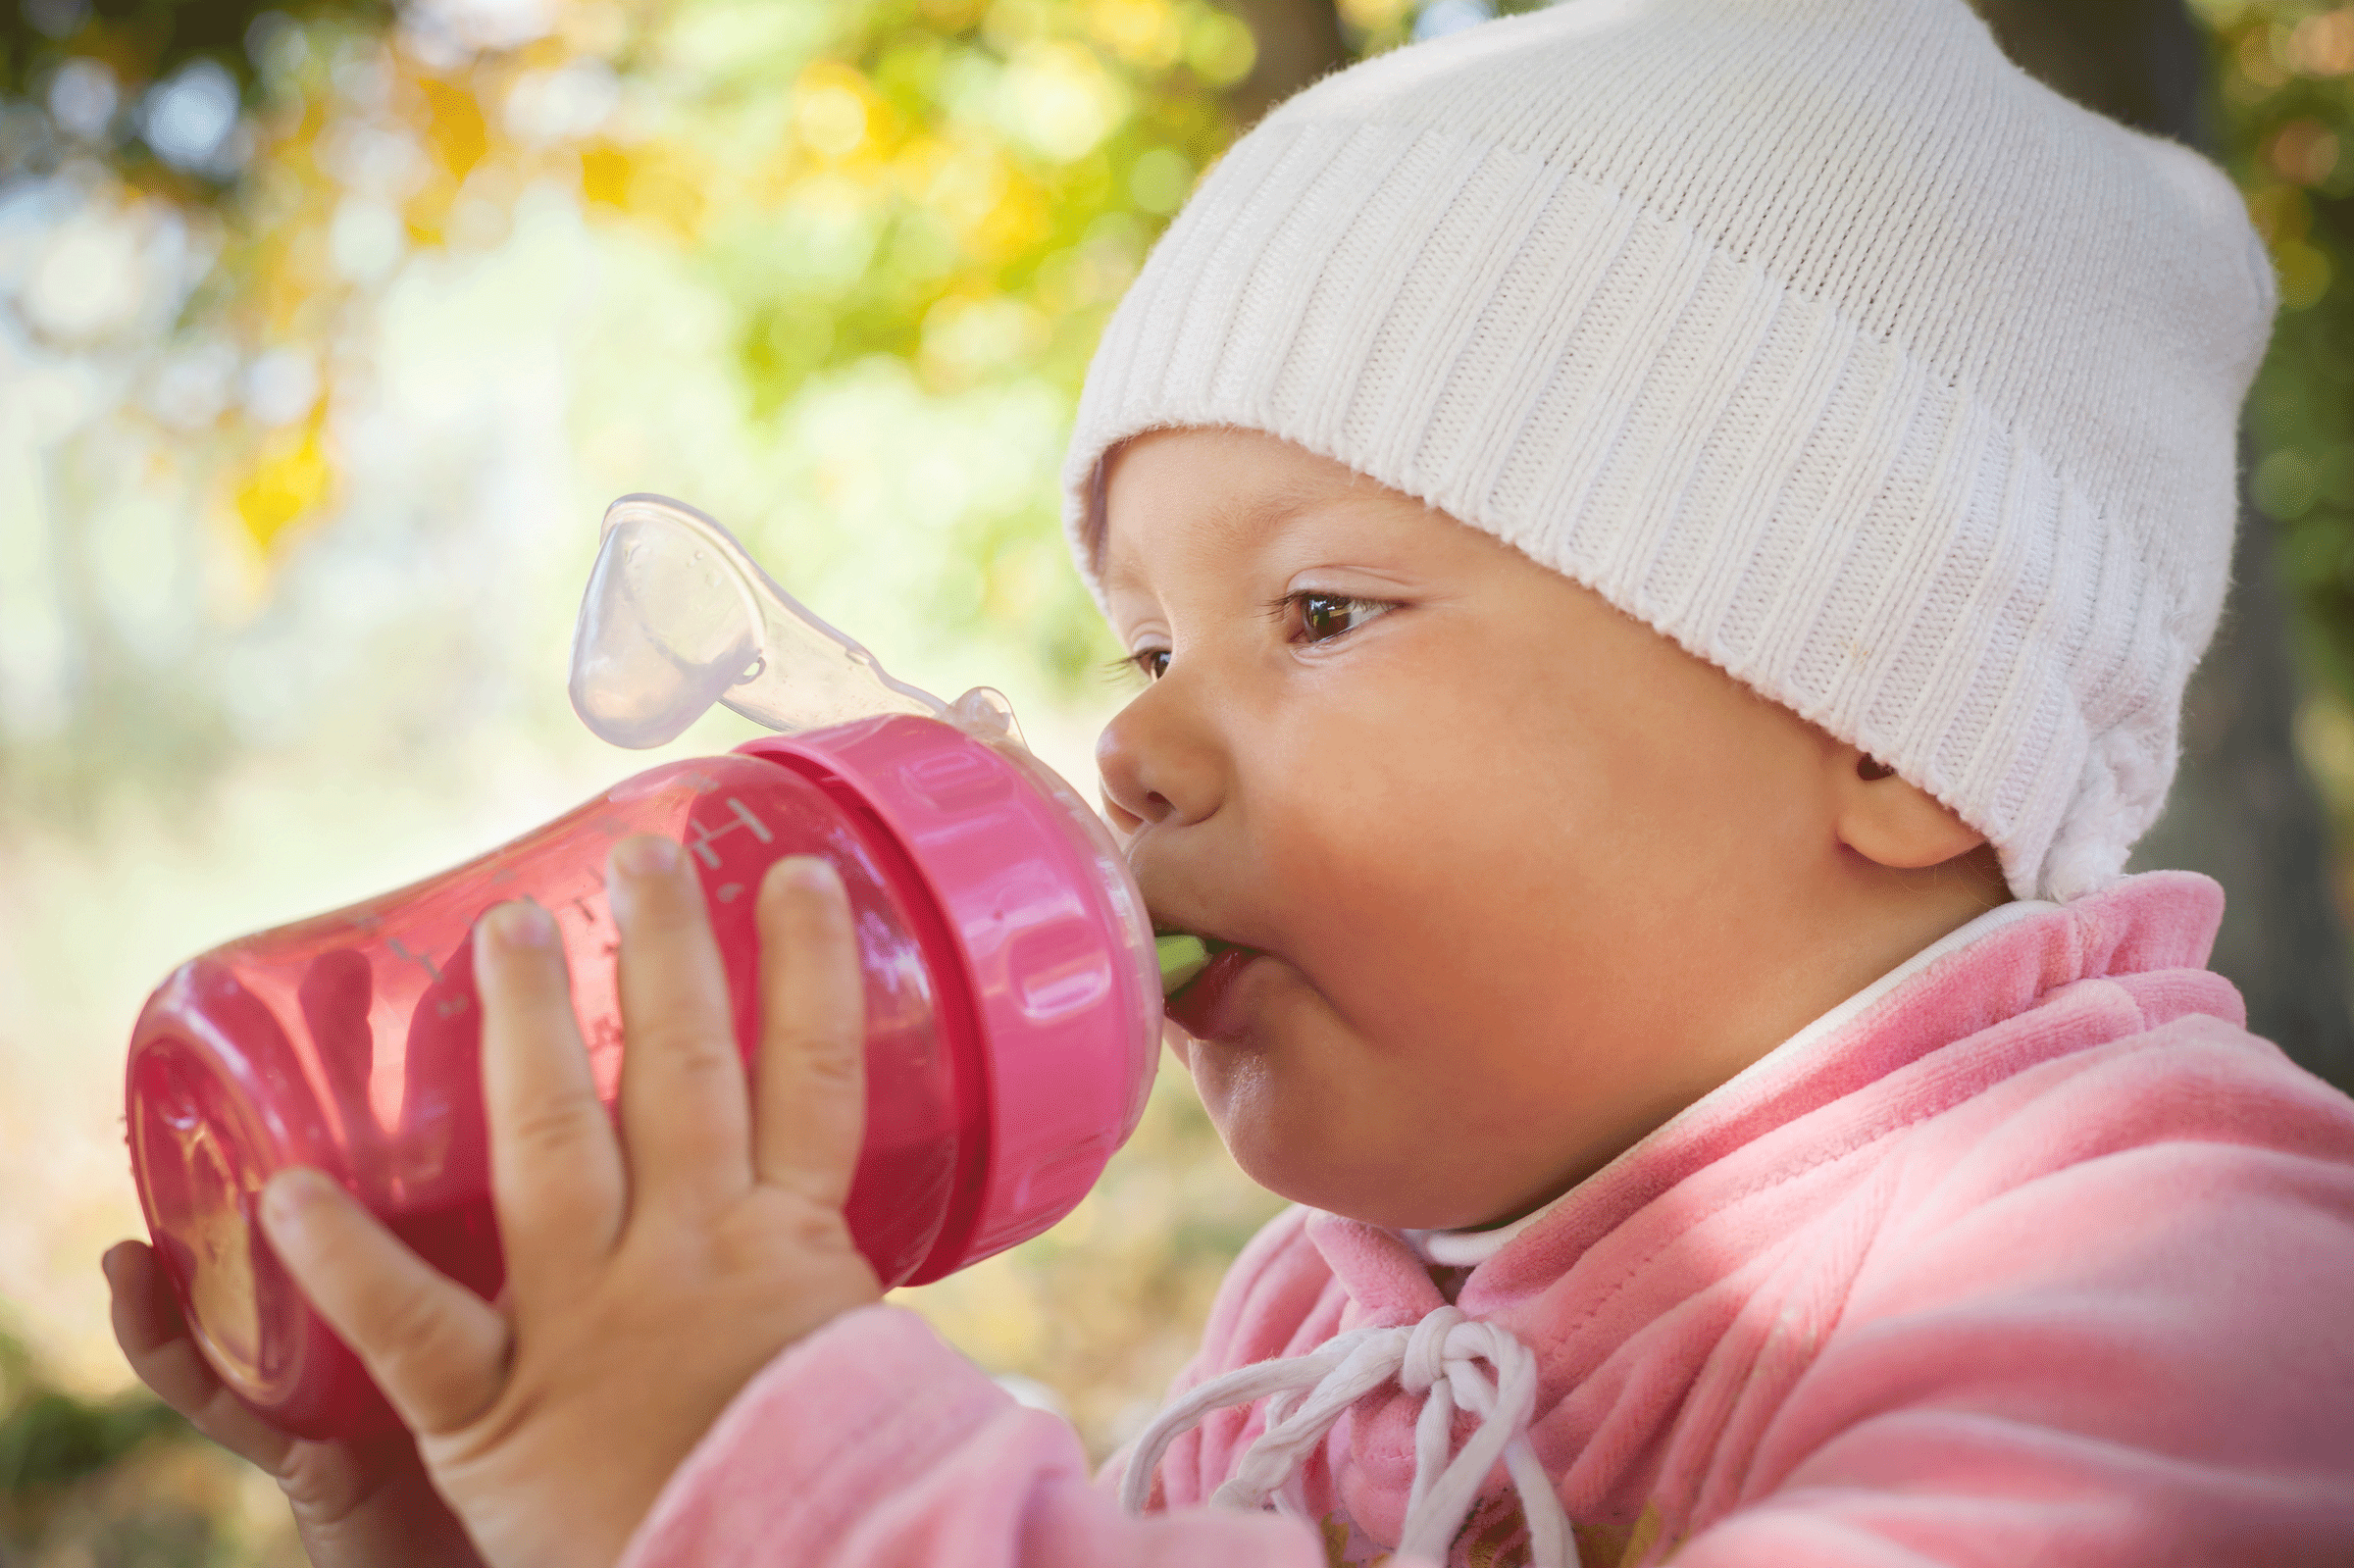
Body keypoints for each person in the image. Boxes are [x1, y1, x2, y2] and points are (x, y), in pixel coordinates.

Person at [101, 0, 2354, 1563]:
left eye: (1323, 617)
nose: (1132, 742)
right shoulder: (1328, 1329)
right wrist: (548, 1502)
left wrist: (794, 1487)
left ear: (1882, 719)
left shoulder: (2182, 1276)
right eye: (1144, 643)